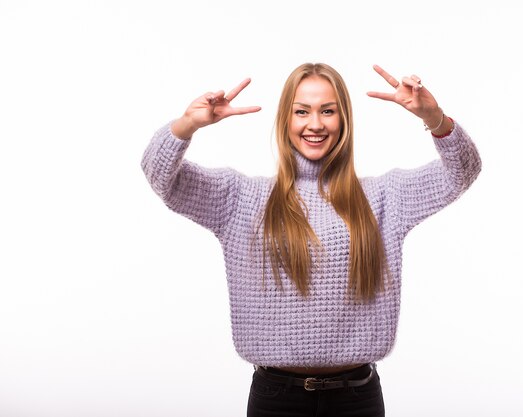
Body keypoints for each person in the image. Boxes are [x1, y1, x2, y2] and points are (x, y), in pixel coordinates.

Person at [142, 63, 481, 417]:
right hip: (276, 399)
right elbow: (162, 177)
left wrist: (435, 118)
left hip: (357, 399)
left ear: (343, 120)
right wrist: (187, 124)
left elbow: (463, 171)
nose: (315, 124)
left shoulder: (384, 196)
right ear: (285, 120)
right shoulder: (241, 198)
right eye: (301, 111)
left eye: (328, 111)